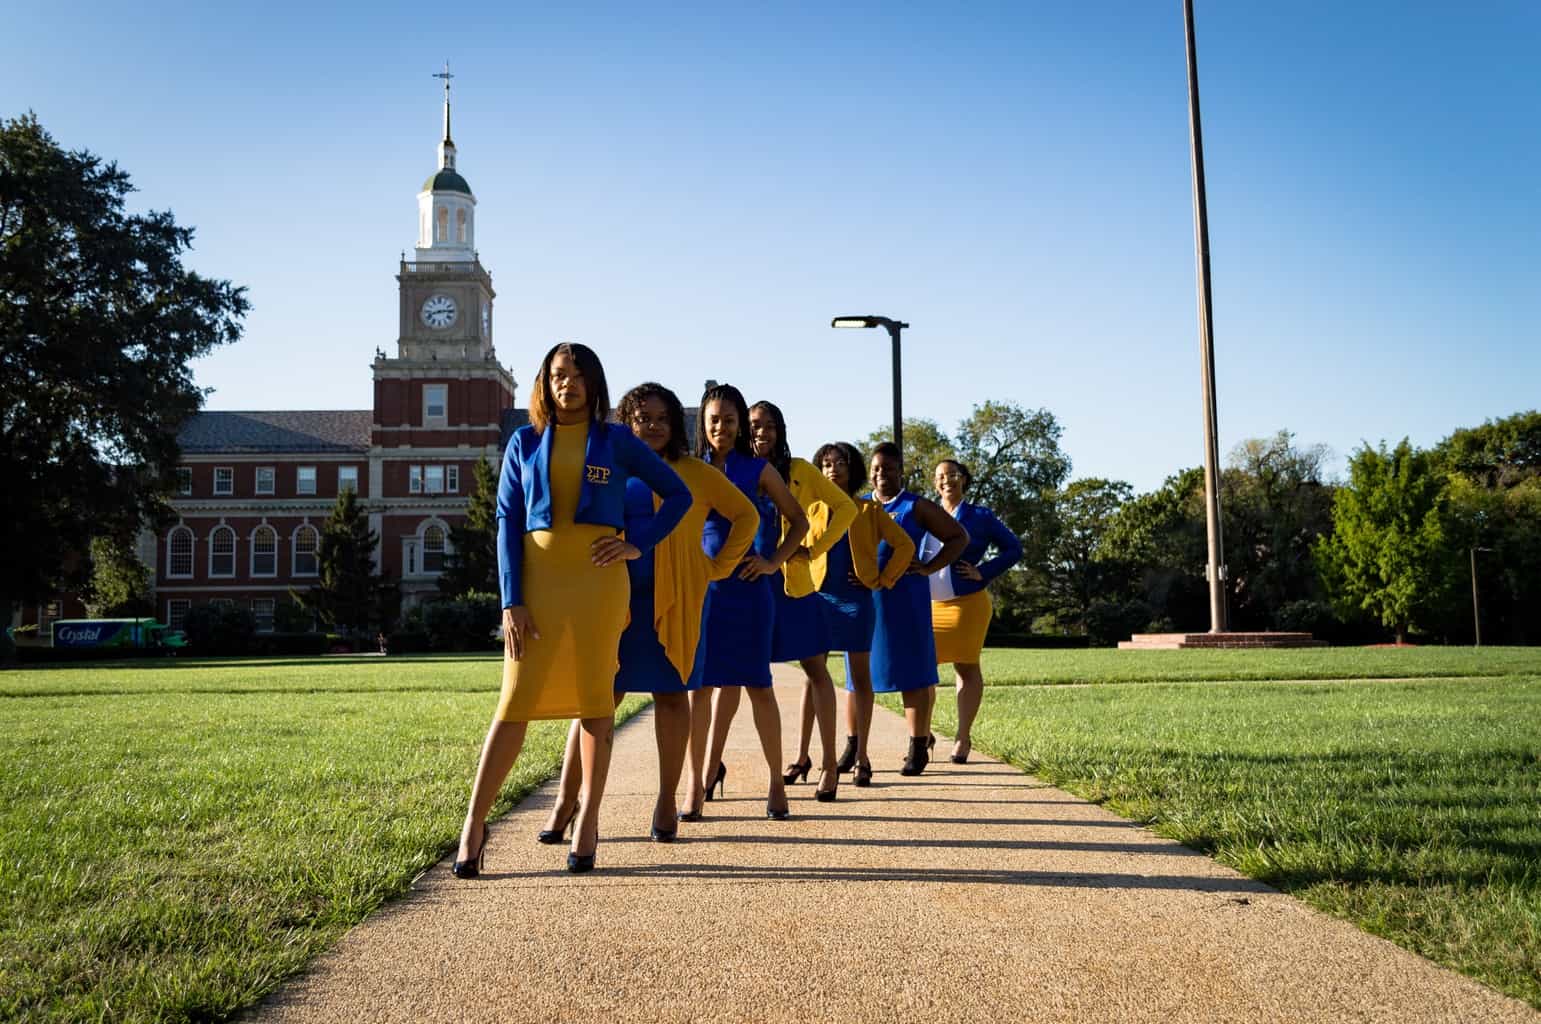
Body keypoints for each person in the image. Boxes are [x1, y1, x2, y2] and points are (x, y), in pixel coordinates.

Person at [453, 344, 691, 877]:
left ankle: (588, 824)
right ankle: (474, 824)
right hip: (537, 589)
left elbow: (677, 496)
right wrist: (511, 601)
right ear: (545, 383)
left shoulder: (617, 440)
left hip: (598, 586)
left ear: (594, 384)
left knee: (594, 702)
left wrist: (637, 542)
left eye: (579, 375)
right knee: (513, 704)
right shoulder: (525, 441)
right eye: (560, 375)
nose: (569, 384)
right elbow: (507, 523)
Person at [540, 383, 758, 842]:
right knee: (596, 701)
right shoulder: (608, 468)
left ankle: (665, 802)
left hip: (677, 600)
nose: (653, 426)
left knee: (673, 696)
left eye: (662, 418)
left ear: (677, 424)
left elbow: (747, 516)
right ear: (627, 422)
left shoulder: (695, 472)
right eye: (643, 418)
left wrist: (714, 566)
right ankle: (565, 801)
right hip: (608, 599)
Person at [695, 384, 809, 820]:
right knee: (701, 689)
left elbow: (798, 521)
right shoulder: (690, 469)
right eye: (713, 420)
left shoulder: (758, 469)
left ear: (740, 423)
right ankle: (696, 781)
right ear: (703, 425)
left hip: (749, 592)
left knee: (760, 687)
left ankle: (777, 782)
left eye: (728, 419)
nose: (720, 426)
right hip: (705, 594)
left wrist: (773, 562)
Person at [747, 401, 857, 802]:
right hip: (751, 585)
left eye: (771, 426)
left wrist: (814, 548)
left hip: (794, 585)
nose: (763, 432)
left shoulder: (800, 471)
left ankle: (829, 764)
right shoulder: (737, 470)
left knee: (816, 670)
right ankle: (710, 770)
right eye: (755, 425)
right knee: (743, 678)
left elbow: (845, 508)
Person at [796, 441, 915, 786]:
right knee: (812, 677)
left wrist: (881, 578)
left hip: (857, 602)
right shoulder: (811, 508)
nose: (833, 469)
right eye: (827, 463)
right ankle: (803, 756)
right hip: (817, 599)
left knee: (861, 677)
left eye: (840, 464)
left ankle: (862, 757)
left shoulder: (868, 510)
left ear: (853, 470)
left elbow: (904, 546)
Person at [865, 441, 967, 775]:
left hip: (907, 597)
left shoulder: (916, 506)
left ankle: (917, 745)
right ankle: (855, 748)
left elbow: (958, 537)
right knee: (861, 676)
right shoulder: (861, 506)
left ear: (900, 471)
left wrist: (928, 566)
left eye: (889, 468)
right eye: (876, 468)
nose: (882, 474)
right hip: (870, 601)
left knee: (912, 675)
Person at [926, 458, 1023, 764]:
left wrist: (984, 571)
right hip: (928, 606)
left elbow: (1014, 549)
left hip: (967, 605)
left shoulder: (980, 516)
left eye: (953, 475)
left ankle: (962, 737)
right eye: (941, 476)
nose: (947, 481)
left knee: (965, 667)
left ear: (963, 480)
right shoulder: (925, 512)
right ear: (934, 482)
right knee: (922, 671)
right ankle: (921, 734)